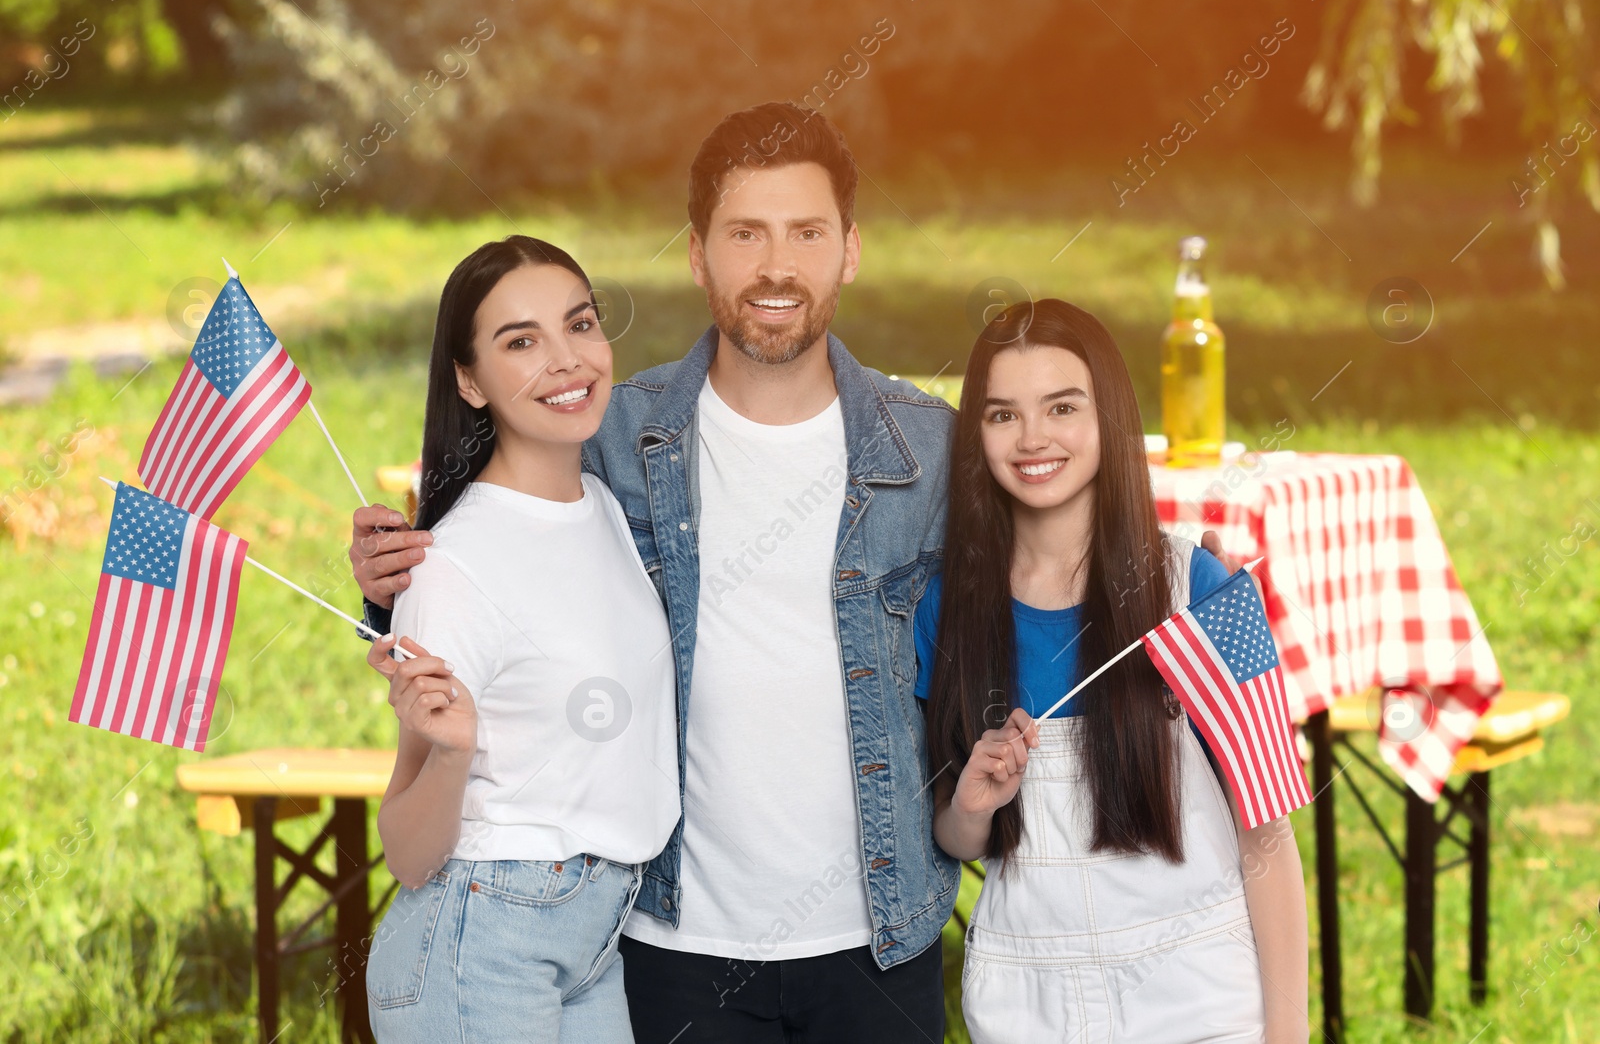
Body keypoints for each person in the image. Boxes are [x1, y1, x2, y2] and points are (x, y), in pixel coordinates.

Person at [351, 102, 958, 1042]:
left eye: (806, 231)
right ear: (696, 253)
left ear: (851, 249)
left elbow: (1016, 604)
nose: (776, 265)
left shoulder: (926, 447)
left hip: (878, 940)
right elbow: (489, 549)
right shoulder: (615, 438)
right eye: (744, 233)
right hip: (668, 941)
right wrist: (381, 587)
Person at [918, 299, 1310, 1043]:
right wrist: (971, 806)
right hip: (1026, 1004)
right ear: (976, 435)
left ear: (1110, 414)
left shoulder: (1201, 590)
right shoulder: (948, 609)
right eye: (1002, 415)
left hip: (1199, 997)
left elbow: (1269, 834)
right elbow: (959, 835)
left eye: (1061, 406)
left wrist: (1288, 1034)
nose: (1034, 437)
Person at [360, 236, 680, 1042]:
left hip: (593, 935)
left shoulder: (604, 508)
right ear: (469, 381)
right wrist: (455, 749)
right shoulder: (451, 564)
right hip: (481, 939)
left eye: (580, 324)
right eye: (521, 342)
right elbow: (405, 850)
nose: (566, 361)